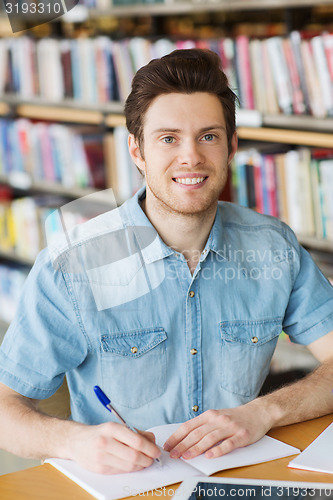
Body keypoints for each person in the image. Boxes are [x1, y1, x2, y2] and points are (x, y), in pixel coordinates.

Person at [0, 48, 332, 476]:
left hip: (240, 478)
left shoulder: (273, 247)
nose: (191, 157)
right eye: (169, 138)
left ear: (232, 146)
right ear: (137, 150)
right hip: (127, 486)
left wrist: (262, 413)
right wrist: (74, 441)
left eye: (208, 136)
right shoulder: (74, 262)